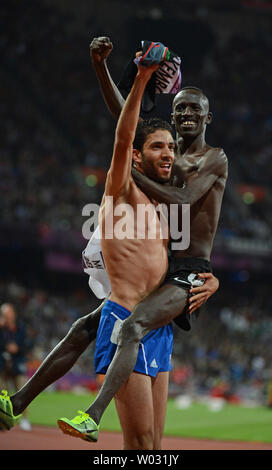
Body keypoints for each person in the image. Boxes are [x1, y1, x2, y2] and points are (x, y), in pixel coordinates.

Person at [0, 40, 218, 448]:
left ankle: (17, 401)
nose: (169, 153)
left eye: (171, 146)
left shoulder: (160, 202)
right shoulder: (123, 187)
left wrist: (211, 280)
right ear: (137, 157)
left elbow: (186, 255)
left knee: (152, 447)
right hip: (126, 321)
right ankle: (79, 413)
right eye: (158, 147)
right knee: (137, 447)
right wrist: (140, 78)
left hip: (159, 325)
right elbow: (123, 132)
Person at [0, 303, 33, 431]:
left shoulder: (21, 327)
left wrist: (18, 348)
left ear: (13, 314)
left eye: (8, 314)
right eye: (4, 314)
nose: (6, 317)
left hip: (18, 362)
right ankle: (4, 420)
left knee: (22, 392)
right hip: (2, 364)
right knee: (3, 394)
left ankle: (25, 419)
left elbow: (28, 344)